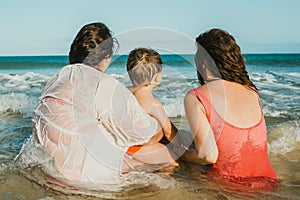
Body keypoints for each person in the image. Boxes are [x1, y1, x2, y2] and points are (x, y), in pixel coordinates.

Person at [31, 23, 165, 184]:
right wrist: (159, 124)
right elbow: (142, 133)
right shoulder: (103, 84)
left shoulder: (58, 79)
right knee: (165, 157)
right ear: (107, 57)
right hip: (82, 177)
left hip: (46, 168)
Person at [182, 28, 278, 188]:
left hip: (231, 187)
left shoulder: (196, 96)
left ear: (204, 62)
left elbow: (208, 155)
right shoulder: (252, 92)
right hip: (269, 182)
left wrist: (181, 155)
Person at [125, 47, 177, 165]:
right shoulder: (152, 102)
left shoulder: (125, 92)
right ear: (157, 77)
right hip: (137, 149)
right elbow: (169, 132)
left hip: (124, 144)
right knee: (172, 161)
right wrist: (184, 146)